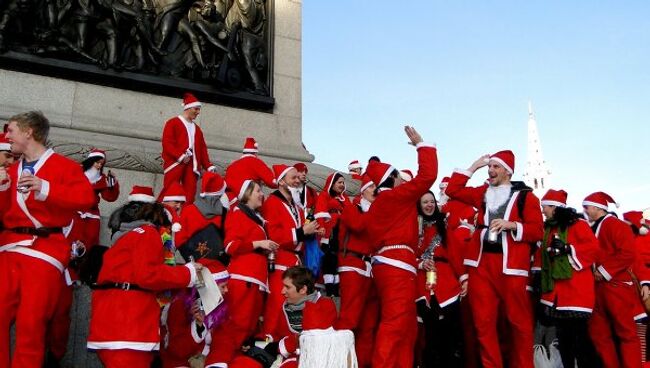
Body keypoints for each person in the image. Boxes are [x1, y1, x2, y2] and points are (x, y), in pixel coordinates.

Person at [0, 111, 95, 368]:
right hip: (9, 248)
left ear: (29, 132)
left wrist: (46, 188)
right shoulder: (11, 169)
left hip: (44, 251)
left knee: (31, 323)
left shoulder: (64, 166)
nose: (7, 136)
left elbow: (86, 199)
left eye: (11, 130)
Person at [445, 150, 543, 368]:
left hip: (511, 267)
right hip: (481, 264)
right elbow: (453, 190)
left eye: (495, 167)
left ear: (508, 171)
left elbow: (537, 231)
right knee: (483, 323)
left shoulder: (526, 197)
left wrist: (512, 225)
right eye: (490, 167)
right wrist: (474, 166)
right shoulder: (483, 192)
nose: (490, 170)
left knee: (519, 323)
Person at [87, 200, 203, 367]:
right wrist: (188, 272)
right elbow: (148, 275)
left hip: (115, 326)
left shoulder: (132, 236)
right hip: (129, 328)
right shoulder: (149, 233)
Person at [365, 126, 437, 368]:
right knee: (396, 325)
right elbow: (427, 177)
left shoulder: (378, 205)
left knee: (405, 328)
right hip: (397, 267)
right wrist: (421, 145)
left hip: (390, 264)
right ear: (392, 178)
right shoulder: (396, 197)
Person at [204, 178, 278, 367]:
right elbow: (230, 246)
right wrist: (259, 244)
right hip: (243, 280)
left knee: (245, 331)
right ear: (246, 194)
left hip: (255, 281)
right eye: (257, 191)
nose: (262, 194)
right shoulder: (238, 214)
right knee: (232, 330)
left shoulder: (254, 217)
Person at [535, 189, 600, 367]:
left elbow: (593, 249)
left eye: (545, 207)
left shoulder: (578, 224)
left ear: (555, 208)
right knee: (564, 341)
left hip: (576, 292)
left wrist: (567, 248)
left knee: (580, 341)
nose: (543, 211)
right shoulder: (548, 229)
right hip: (557, 295)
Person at [582, 192, 642, 368]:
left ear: (597, 208)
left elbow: (628, 253)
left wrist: (603, 271)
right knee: (599, 334)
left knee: (626, 332)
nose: (584, 210)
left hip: (615, 285)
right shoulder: (594, 227)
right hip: (599, 287)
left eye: (587, 207)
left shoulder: (616, 225)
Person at [261, 164, 321, 337]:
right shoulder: (272, 202)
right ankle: (269, 347)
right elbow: (274, 236)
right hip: (280, 263)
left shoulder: (295, 206)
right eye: (293, 178)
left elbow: (305, 227)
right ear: (281, 182)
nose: (297, 181)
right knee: (276, 310)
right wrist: (303, 231)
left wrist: (312, 227)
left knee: (292, 312)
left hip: (295, 262)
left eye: (298, 178)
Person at [415, 191, 464, 368]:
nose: (429, 205)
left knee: (451, 334)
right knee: (431, 335)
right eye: (425, 202)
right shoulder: (413, 228)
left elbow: (455, 253)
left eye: (432, 202)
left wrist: (463, 278)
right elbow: (407, 253)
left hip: (447, 284)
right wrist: (420, 264)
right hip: (423, 285)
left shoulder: (444, 226)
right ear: (419, 206)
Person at [334, 174, 378, 368]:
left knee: (368, 324)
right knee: (349, 319)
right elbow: (358, 226)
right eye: (373, 187)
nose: (377, 191)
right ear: (364, 190)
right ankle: (340, 362)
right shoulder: (352, 208)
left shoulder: (375, 212)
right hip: (352, 264)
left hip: (370, 268)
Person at [265, 266, 342, 368]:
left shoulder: (324, 305)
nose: (282, 291)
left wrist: (282, 345)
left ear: (303, 289)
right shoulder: (287, 307)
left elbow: (311, 337)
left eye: (287, 287)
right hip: (290, 359)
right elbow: (278, 335)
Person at [160, 259, 230, 368]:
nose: (227, 290)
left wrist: (215, 363)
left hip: (208, 359)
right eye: (223, 286)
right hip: (180, 362)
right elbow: (176, 350)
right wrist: (198, 325)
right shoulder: (180, 305)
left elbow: (224, 341)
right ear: (210, 286)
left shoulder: (220, 307)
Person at [162, 92, 217, 204]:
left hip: (192, 166)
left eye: (198, 109)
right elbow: (167, 143)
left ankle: (185, 218)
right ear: (188, 108)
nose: (198, 112)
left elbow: (202, 150)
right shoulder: (173, 123)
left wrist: (208, 166)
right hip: (176, 164)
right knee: (169, 192)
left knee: (189, 195)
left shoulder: (197, 129)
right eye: (196, 109)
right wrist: (180, 156)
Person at [314, 171, 349, 296]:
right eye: (339, 182)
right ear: (332, 183)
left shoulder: (345, 199)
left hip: (341, 235)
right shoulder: (324, 195)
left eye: (343, 182)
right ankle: (330, 289)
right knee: (329, 260)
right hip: (329, 234)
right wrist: (322, 227)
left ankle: (335, 288)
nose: (342, 185)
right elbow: (320, 212)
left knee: (336, 261)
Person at [175, 172, 227, 248]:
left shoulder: (188, 210)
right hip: (220, 257)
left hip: (195, 257)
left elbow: (179, 241)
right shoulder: (225, 213)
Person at [224, 137, 276, 207]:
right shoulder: (256, 162)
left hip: (230, 200)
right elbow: (271, 182)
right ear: (255, 153)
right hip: (247, 200)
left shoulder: (232, 165)